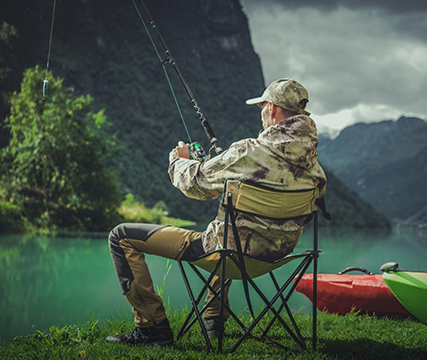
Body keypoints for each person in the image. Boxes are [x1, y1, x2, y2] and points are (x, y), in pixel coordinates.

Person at [106, 78, 327, 346]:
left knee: (121, 236)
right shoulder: (315, 170)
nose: (261, 113)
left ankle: (152, 328)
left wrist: (179, 160)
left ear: (271, 108)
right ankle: (213, 318)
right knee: (233, 233)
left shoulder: (249, 152)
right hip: (277, 255)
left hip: (232, 255)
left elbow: (195, 184)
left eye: (261, 107)